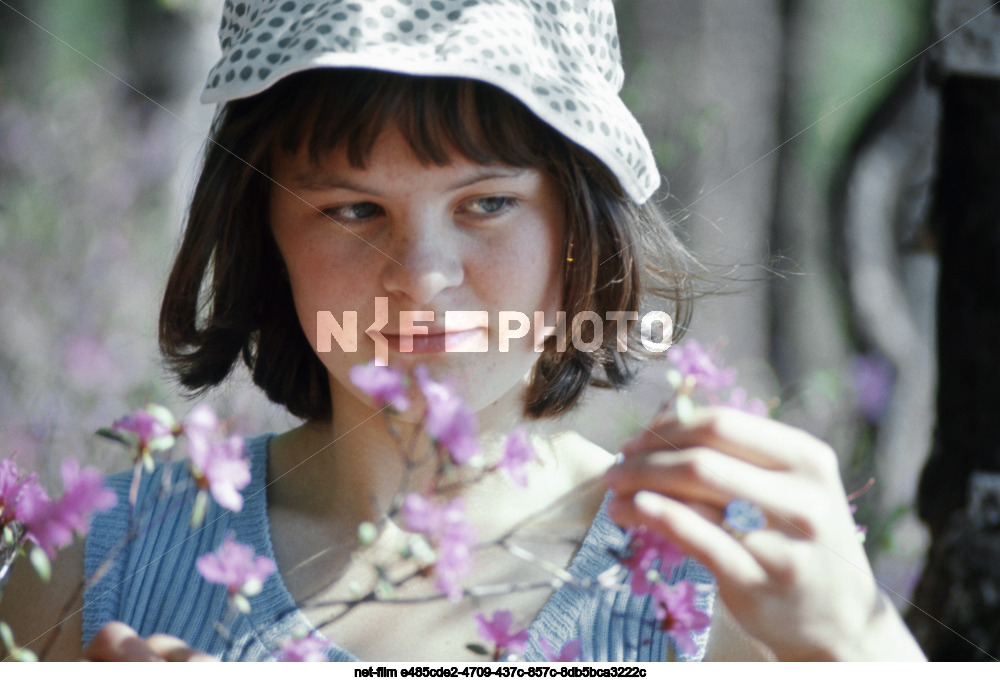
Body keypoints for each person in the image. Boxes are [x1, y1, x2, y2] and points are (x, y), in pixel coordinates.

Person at [0, 0, 925, 662]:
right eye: (353, 210)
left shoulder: (725, 589)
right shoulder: (89, 571)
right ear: (263, 233)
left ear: (580, 226)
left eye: (487, 202)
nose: (423, 279)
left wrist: (855, 642)